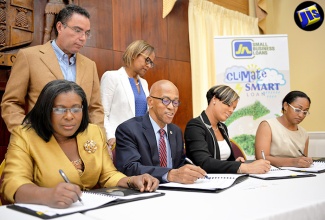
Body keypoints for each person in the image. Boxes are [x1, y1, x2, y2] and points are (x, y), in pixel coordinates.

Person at [0, 80, 159, 208]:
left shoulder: (93, 132)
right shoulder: (25, 135)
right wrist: (47, 195)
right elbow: (13, 183)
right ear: (45, 110)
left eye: (76, 109)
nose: (69, 116)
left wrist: (132, 181)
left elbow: (108, 175)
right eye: (60, 109)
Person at [1, 4, 104, 133]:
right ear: (60, 27)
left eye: (86, 33)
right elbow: (11, 102)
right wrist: (26, 133)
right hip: (41, 142)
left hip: (80, 145)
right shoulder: (29, 57)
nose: (83, 38)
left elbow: (95, 109)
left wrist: (97, 138)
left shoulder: (90, 65)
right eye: (77, 30)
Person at [115, 80, 207, 183]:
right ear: (150, 102)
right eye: (165, 100)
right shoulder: (128, 129)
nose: (172, 107)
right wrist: (168, 174)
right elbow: (129, 167)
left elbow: (179, 165)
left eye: (175, 102)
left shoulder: (176, 131)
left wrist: (189, 172)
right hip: (144, 192)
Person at [184, 85, 270, 174]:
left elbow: (222, 160)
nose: (231, 110)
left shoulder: (222, 127)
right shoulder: (195, 126)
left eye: (234, 108)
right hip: (204, 181)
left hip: (224, 179)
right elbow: (204, 163)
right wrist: (243, 167)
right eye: (229, 105)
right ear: (214, 99)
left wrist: (234, 163)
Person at [100, 40, 155, 147]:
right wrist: (110, 137)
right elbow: (102, 112)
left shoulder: (144, 83)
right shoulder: (112, 77)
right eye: (147, 60)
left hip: (141, 143)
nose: (148, 65)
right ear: (134, 54)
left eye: (151, 63)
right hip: (118, 141)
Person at [255, 90, 313, 167]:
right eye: (298, 110)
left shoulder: (304, 134)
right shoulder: (267, 126)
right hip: (272, 173)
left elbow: (303, 160)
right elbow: (261, 157)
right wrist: (293, 162)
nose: (301, 115)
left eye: (305, 112)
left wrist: (305, 161)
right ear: (285, 106)